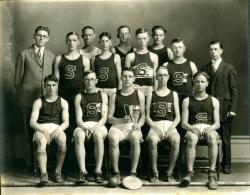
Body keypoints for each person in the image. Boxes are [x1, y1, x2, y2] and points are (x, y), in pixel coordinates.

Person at [14, 26, 55, 169]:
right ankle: (30, 163)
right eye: (39, 35)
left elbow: (53, 79)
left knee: (43, 130)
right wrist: (26, 92)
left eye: (44, 36)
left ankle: (43, 163)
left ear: (48, 39)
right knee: (28, 132)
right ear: (34, 36)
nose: (41, 38)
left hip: (45, 100)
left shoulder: (51, 55)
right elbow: (17, 81)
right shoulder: (24, 54)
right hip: (27, 99)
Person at [201, 41, 238, 174]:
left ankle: (226, 163)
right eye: (211, 50)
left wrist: (232, 109)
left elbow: (234, 90)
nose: (213, 52)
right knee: (212, 137)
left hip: (225, 108)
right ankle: (213, 164)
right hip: (210, 109)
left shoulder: (229, 68)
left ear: (221, 51)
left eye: (216, 49)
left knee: (225, 138)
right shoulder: (205, 68)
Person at [181, 71, 220, 190]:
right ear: (193, 82)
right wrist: (191, 128)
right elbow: (183, 123)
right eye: (197, 81)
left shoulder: (214, 101)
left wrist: (211, 128)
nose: (199, 84)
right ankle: (189, 172)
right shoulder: (187, 101)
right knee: (192, 139)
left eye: (202, 81)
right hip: (193, 127)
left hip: (208, 127)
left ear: (207, 84)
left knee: (212, 137)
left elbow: (217, 123)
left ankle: (212, 173)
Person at [30, 75, 69, 185]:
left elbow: (66, 122)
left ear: (57, 86)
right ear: (44, 86)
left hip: (56, 127)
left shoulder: (63, 102)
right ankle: (44, 174)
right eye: (48, 85)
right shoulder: (38, 102)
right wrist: (43, 130)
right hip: (41, 127)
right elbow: (32, 122)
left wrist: (58, 130)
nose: (51, 88)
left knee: (63, 140)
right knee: (42, 141)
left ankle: (58, 171)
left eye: (53, 85)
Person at [108, 68, 145, 182]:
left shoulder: (139, 94)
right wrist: (120, 120)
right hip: (118, 126)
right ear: (121, 78)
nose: (127, 79)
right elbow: (109, 118)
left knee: (135, 137)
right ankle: (116, 172)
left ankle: (133, 172)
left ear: (134, 79)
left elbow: (143, 115)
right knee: (113, 138)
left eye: (130, 76)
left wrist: (139, 124)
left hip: (133, 126)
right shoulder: (115, 95)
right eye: (124, 76)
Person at [53, 32, 90, 145]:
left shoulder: (84, 59)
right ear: (66, 42)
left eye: (74, 40)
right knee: (65, 121)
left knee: (78, 122)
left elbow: (88, 81)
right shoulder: (59, 58)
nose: (71, 43)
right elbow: (56, 80)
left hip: (79, 96)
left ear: (78, 42)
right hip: (64, 95)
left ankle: (78, 150)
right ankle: (66, 151)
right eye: (69, 40)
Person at [146, 66, 180, 183]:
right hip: (155, 124)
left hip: (170, 124)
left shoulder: (173, 94)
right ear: (156, 77)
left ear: (168, 77)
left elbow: (178, 117)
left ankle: (169, 173)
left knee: (176, 140)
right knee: (152, 140)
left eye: (165, 75)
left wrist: (171, 128)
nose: (162, 78)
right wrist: (155, 128)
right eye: (160, 75)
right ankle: (155, 172)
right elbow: (147, 116)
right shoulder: (151, 94)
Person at [73, 71, 108, 184]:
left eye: (92, 79)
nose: (89, 82)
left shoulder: (102, 95)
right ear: (83, 81)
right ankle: (83, 172)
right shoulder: (79, 96)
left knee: (98, 135)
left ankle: (98, 171)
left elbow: (104, 117)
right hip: (84, 124)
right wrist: (84, 128)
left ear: (96, 80)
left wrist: (95, 128)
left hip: (99, 124)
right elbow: (78, 119)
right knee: (78, 135)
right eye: (87, 79)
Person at [125, 27, 158, 97]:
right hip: (135, 89)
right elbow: (126, 76)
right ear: (136, 39)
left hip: (149, 89)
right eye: (139, 39)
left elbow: (156, 78)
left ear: (148, 39)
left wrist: (155, 93)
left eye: (144, 38)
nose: (142, 41)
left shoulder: (154, 56)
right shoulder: (130, 56)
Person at [163, 38, 198, 102]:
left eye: (180, 47)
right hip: (171, 100)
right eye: (175, 48)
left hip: (188, 99)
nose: (177, 50)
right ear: (171, 50)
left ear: (184, 49)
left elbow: (197, 84)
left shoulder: (191, 65)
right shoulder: (166, 65)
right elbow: (162, 85)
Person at [91, 32, 122, 97]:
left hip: (112, 89)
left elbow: (119, 76)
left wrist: (119, 89)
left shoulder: (116, 57)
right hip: (99, 88)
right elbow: (93, 77)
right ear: (99, 42)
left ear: (110, 43)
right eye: (102, 41)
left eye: (107, 41)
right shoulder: (94, 59)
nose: (104, 44)